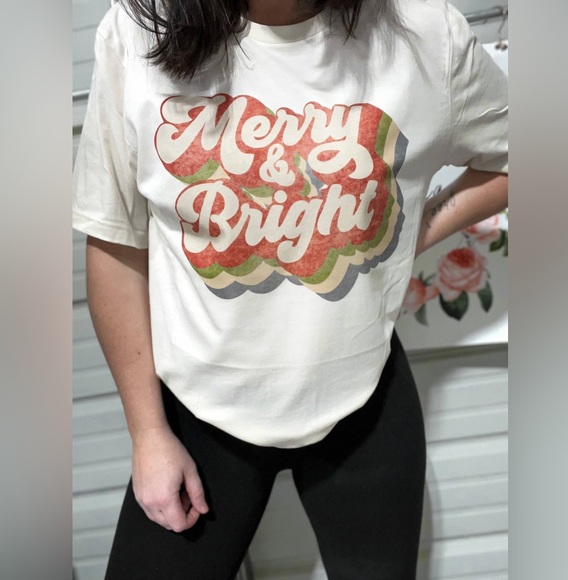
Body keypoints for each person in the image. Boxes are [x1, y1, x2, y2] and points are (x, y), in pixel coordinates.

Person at [73, 0, 508, 577]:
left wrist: (410, 230)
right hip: (195, 409)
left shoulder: (426, 33)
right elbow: (115, 243)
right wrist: (148, 434)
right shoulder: (136, 30)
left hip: (363, 397)